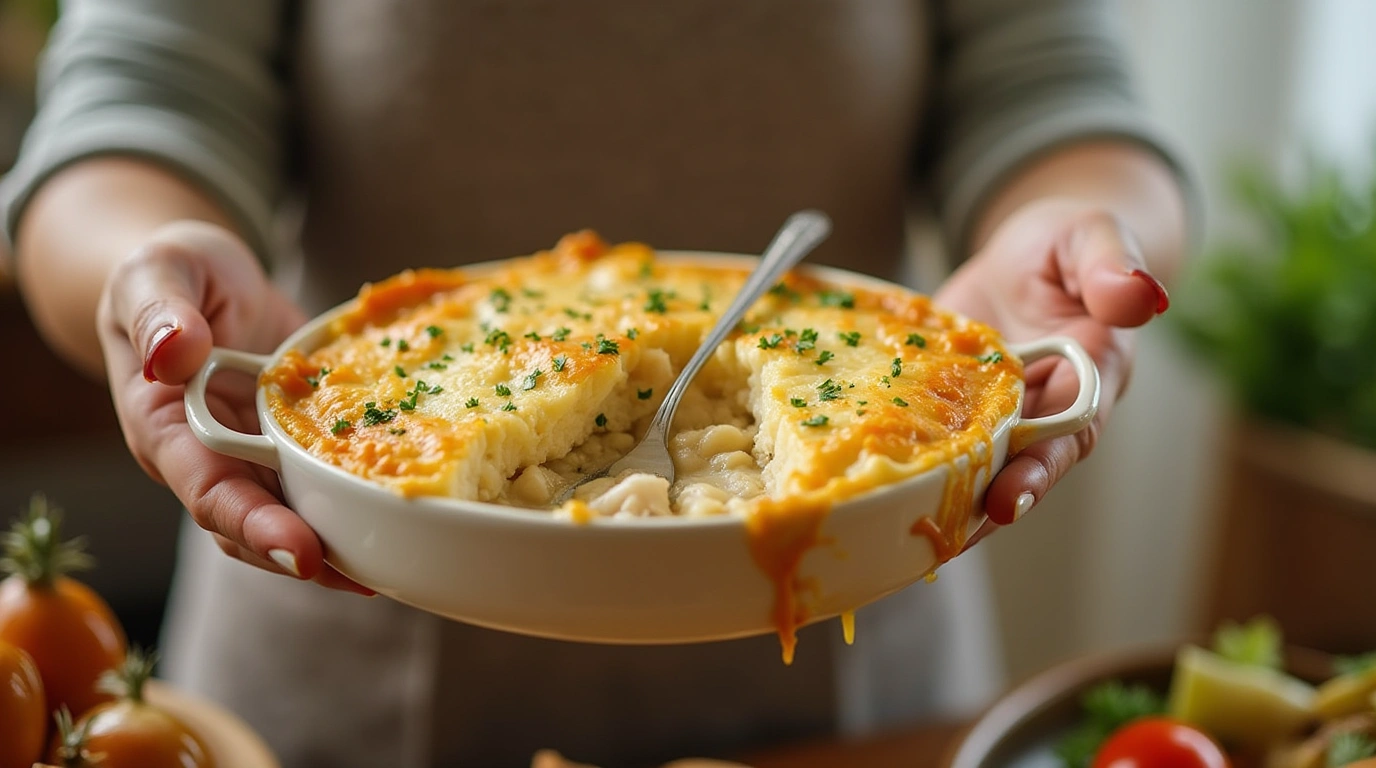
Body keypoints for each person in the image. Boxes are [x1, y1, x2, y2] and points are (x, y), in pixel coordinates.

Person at [1, 0, 1189, 766]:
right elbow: (128, 112)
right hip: (340, 672)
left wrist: (1074, 237)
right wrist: (145, 271)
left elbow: (1063, 101)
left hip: (858, 668)